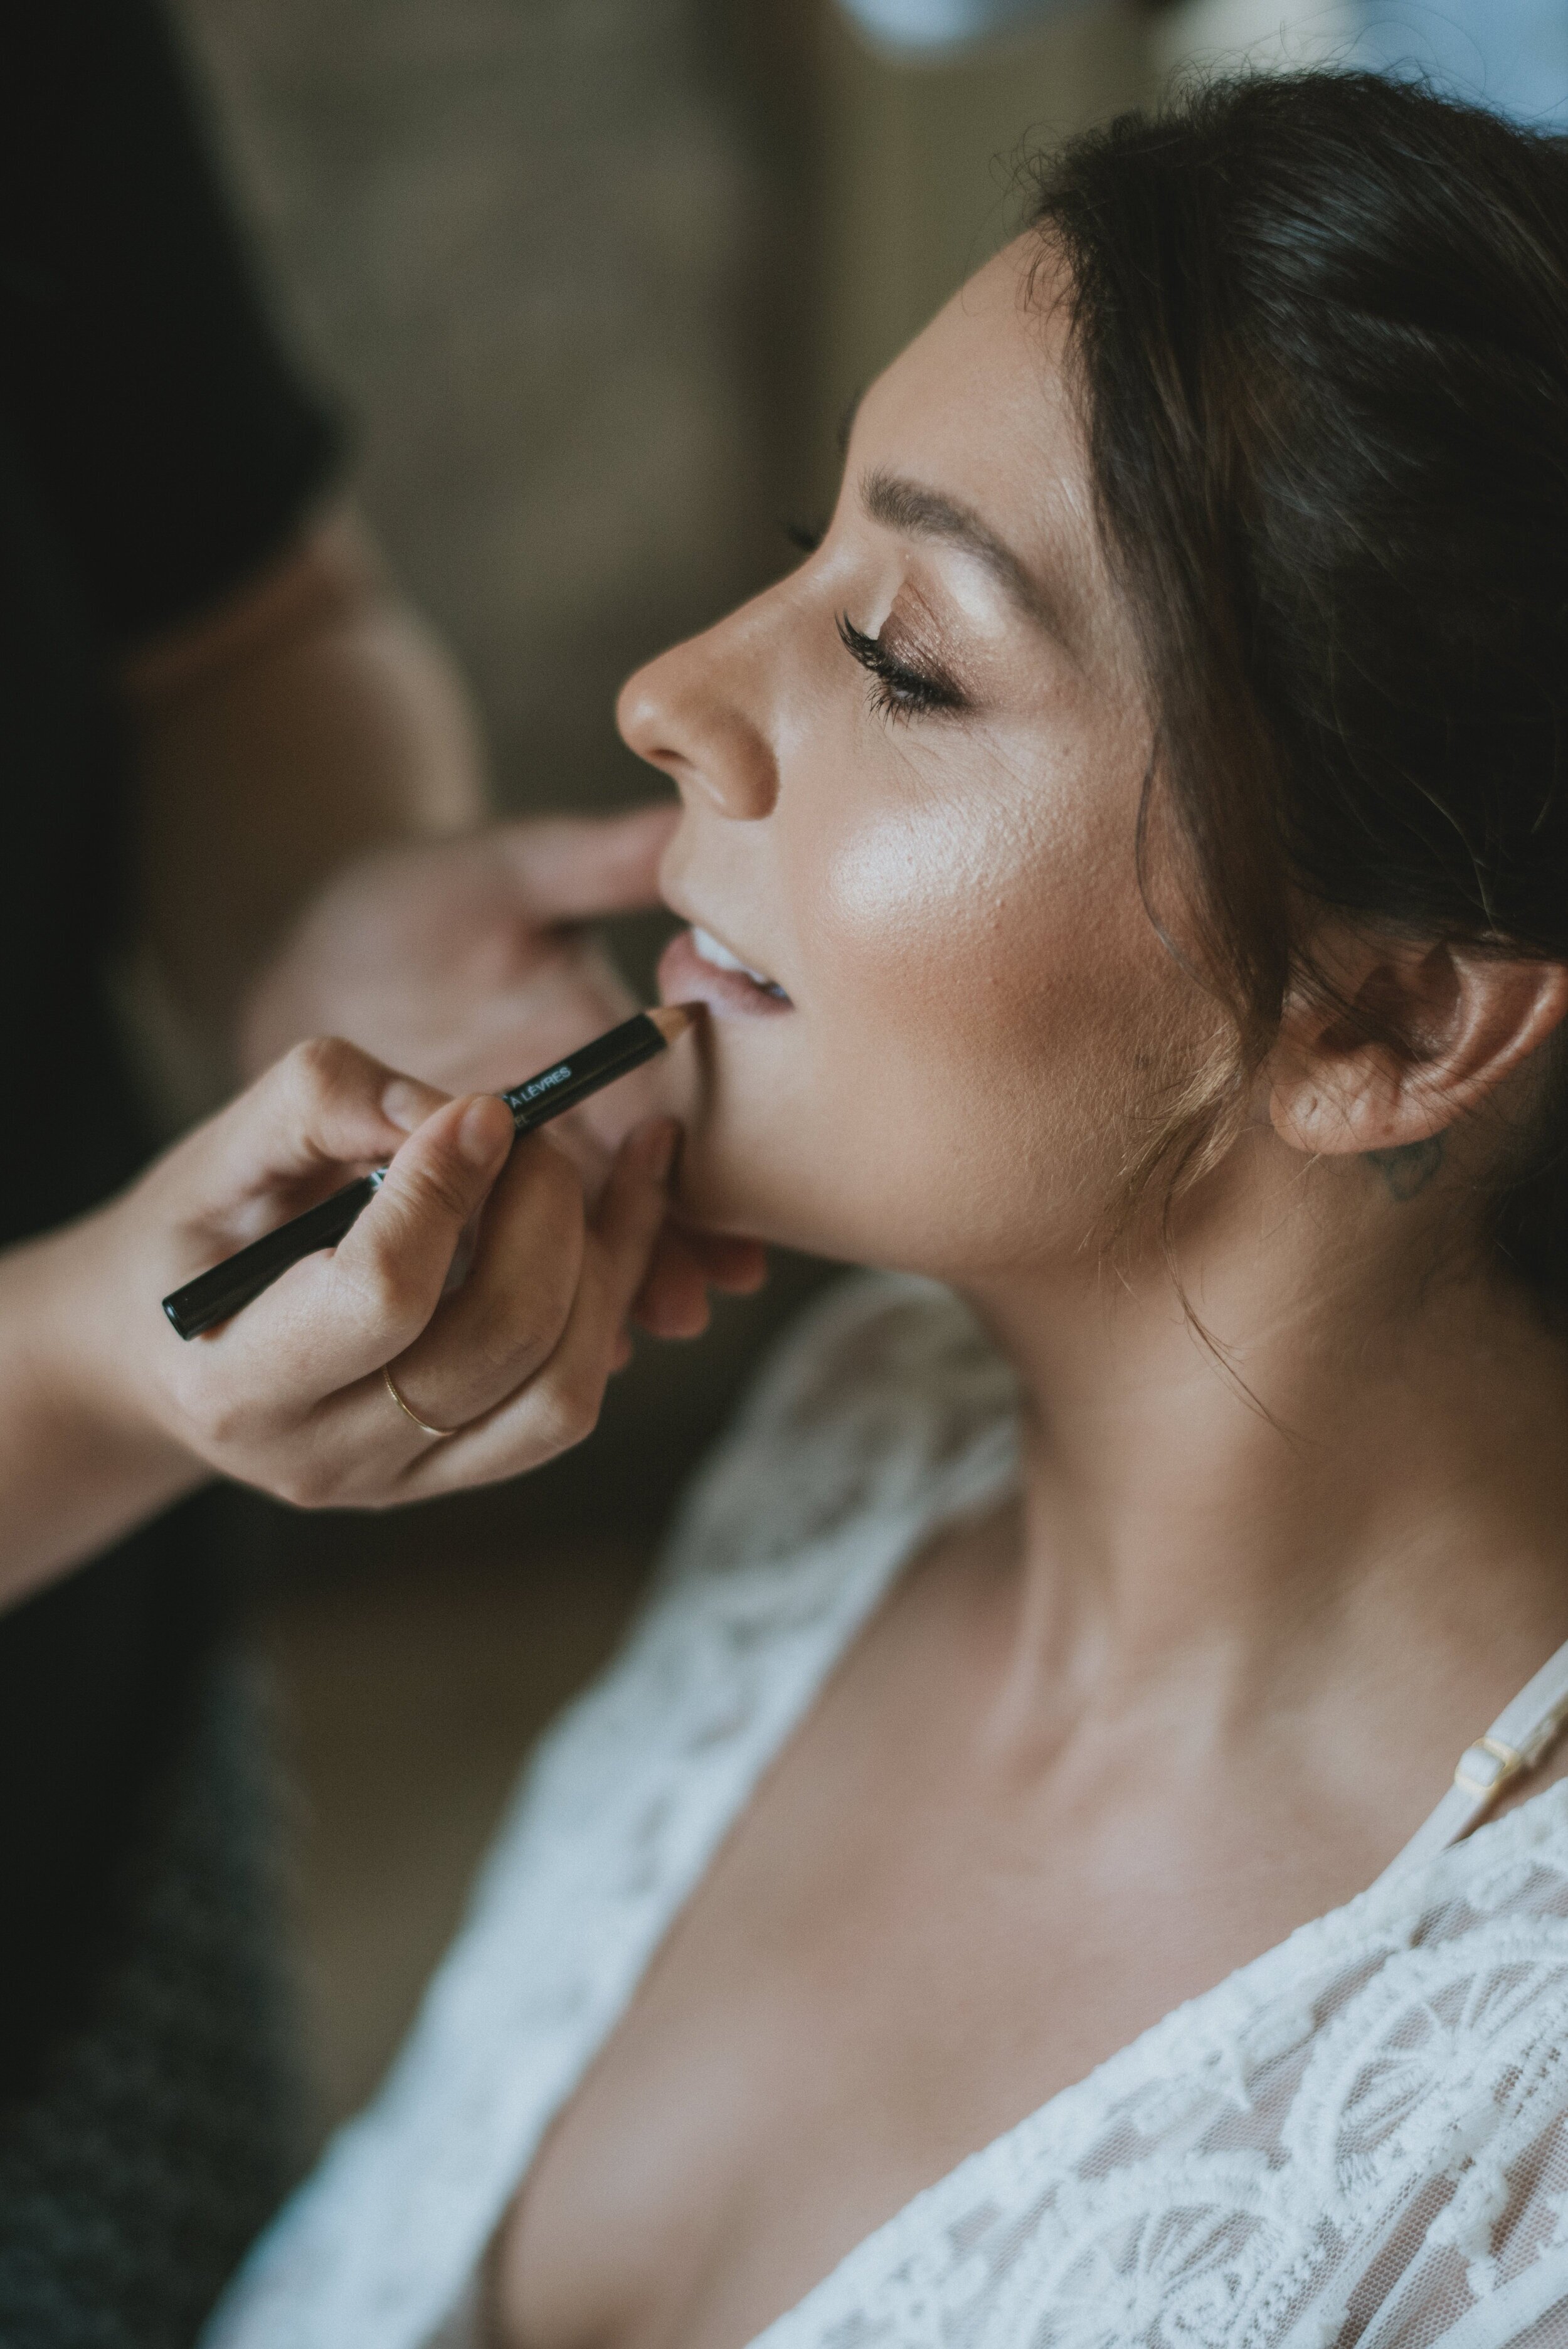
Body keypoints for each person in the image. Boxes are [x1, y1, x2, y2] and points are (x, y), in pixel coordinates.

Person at [205, 69, 1568, 2349]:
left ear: (1387, 1015)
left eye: (905, 659)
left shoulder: (1514, 2159)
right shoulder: (861, 1444)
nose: (665, 695)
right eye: (807, 546)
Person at [0, 6, 755, 2341]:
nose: (675, 699)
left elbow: (245, 622)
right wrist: (89, 1378)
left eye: (915, 654)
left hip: (84, 1803)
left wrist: (327, 931)